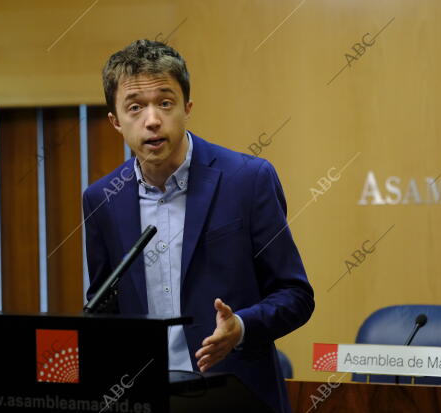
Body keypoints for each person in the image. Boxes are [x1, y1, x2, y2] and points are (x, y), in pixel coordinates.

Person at [83, 39, 315, 413]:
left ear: (187, 108)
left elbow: (296, 295)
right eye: (135, 107)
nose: (152, 119)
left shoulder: (247, 180)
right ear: (115, 121)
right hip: (144, 398)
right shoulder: (103, 199)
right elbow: (103, 310)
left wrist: (240, 327)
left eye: (165, 102)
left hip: (235, 397)